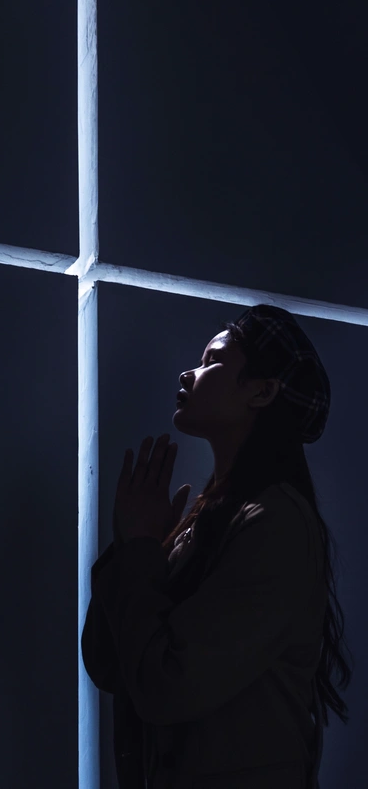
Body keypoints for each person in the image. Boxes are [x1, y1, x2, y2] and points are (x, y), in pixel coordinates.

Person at [81, 304, 353, 788]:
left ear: (262, 391)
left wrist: (141, 546)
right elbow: (112, 666)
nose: (189, 372)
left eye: (212, 360)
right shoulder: (208, 521)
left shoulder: (275, 524)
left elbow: (166, 684)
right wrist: (136, 547)